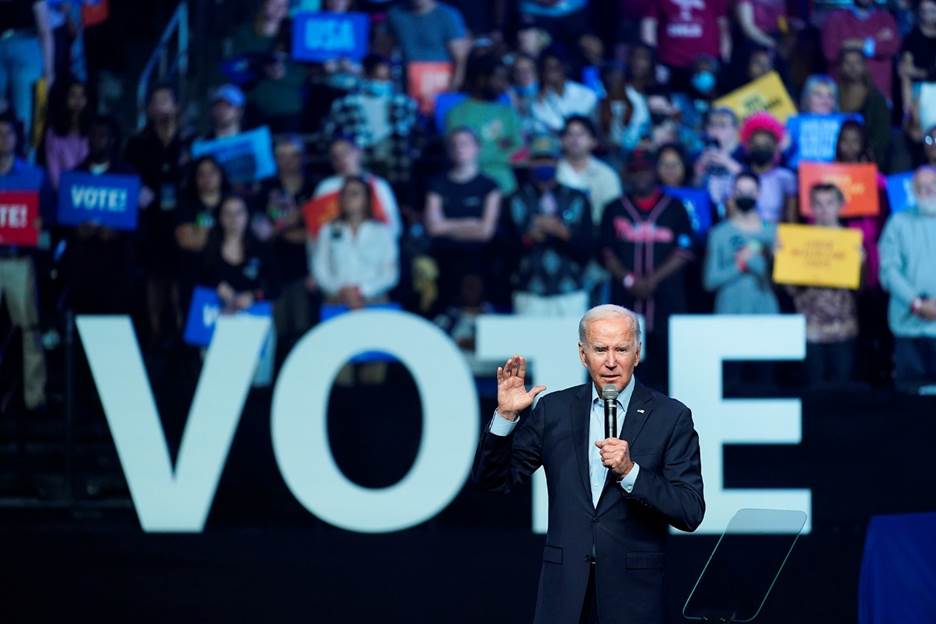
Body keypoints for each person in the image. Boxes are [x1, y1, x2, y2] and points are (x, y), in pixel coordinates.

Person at [471, 304, 704, 624]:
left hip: (633, 598)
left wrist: (631, 472)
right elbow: (494, 482)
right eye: (600, 349)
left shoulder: (671, 417)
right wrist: (506, 417)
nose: (611, 361)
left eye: (621, 349)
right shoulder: (554, 410)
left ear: (638, 353)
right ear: (583, 354)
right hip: (564, 595)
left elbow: (690, 510)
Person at [600, 150, 694, 389]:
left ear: (654, 173)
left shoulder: (675, 207)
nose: (641, 176)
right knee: (625, 367)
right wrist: (630, 280)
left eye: (645, 170)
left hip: (666, 299)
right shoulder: (614, 208)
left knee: (669, 369)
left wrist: (652, 279)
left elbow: (684, 250)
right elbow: (606, 252)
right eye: (635, 171)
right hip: (625, 299)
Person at [124, 84, 191, 346]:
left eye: (165, 101)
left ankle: (179, 330)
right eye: (155, 102)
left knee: (179, 278)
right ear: (149, 109)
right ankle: (153, 332)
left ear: (176, 107)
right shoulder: (137, 143)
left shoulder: (190, 142)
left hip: (181, 217)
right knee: (154, 277)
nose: (160, 107)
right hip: (150, 221)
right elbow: (128, 177)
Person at [506, 134, 593, 317]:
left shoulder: (577, 198)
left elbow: (589, 248)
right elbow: (502, 250)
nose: (543, 164)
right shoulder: (514, 200)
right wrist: (529, 238)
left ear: (557, 161)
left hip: (570, 293)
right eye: (538, 159)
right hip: (529, 293)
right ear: (529, 162)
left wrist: (562, 233)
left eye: (548, 159)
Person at [0, 111, 47, 414]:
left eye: (7, 133)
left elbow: (48, 220)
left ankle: (34, 397)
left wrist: (41, 226)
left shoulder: (34, 176)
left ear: (17, 139)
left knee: (30, 328)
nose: (2, 139)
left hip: (19, 261)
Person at [790, 183, 860, 386]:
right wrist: (782, 259)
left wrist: (861, 263)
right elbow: (790, 289)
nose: (824, 209)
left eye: (830, 203)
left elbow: (863, 288)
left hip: (844, 329)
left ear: (840, 205)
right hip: (809, 330)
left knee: (843, 392)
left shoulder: (851, 243)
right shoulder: (798, 241)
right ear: (810, 207)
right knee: (814, 394)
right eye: (818, 204)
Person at [425, 127, 501, 311]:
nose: (460, 148)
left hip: (480, 262)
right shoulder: (437, 184)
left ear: (477, 148)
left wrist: (448, 227)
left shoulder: (489, 185)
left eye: (465, 143)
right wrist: (469, 223)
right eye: (455, 144)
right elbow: (433, 228)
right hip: (444, 261)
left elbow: (485, 232)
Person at [252, 135, 316, 348]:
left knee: (304, 333)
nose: (288, 161)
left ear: (303, 157)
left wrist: (281, 227)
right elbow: (261, 233)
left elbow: (319, 233)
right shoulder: (264, 188)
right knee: (276, 336)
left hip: (307, 271)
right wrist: (293, 224)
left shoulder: (315, 187)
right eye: (281, 156)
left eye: (294, 155)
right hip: (273, 271)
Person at [321, 54, 419, 188]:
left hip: (398, 168)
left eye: (385, 77)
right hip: (360, 173)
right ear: (365, 75)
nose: (380, 82)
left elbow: (418, 134)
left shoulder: (404, 104)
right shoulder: (344, 106)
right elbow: (328, 137)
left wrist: (413, 152)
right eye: (376, 77)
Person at [878, 165, 936, 393]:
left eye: (932, 185)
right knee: (910, 401)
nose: (927, 191)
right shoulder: (897, 222)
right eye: (920, 187)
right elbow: (888, 270)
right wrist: (917, 303)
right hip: (908, 326)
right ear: (912, 191)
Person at [312, 176, 399, 311]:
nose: (348, 199)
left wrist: (361, 290)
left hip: (374, 301)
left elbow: (390, 274)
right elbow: (320, 270)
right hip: (337, 301)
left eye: (354, 194)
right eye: (344, 194)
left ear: (366, 198)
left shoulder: (382, 232)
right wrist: (342, 290)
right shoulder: (328, 230)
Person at [446, 53, 524, 194]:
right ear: (482, 80)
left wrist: (482, 150)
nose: (504, 86)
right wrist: (500, 148)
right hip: (468, 187)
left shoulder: (507, 113)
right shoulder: (457, 114)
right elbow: (458, 154)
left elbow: (520, 152)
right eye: (499, 79)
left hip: (505, 187)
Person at [704, 171, 778, 315]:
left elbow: (779, 282)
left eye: (750, 191)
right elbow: (710, 281)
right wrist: (740, 265)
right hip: (729, 311)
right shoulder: (718, 233)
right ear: (733, 193)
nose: (745, 195)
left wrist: (757, 260)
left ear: (759, 193)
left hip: (765, 311)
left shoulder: (774, 232)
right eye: (740, 191)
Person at [227, 0, 306, 132]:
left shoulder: (296, 35)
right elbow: (233, 67)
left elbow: (304, 73)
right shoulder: (245, 33)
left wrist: (283, 74)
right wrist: (259, 70)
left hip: (286, 109)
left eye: (283, 5)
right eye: (274, 4)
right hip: (254, 106)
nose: (278, 9)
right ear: (263, 4)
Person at [311, 136, 401, 238]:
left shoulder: (379, 185)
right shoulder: (325, 188)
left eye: (345, 152)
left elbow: (394, 226)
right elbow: (316, 231)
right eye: (335, 156)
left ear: (358, 152)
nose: (342, 159)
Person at [176, 155, 231, 308]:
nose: (207, 178)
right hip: (196, 277)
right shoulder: (187, 206)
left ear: (220, 174)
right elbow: (190, 243)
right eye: (201, 174)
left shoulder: (233, 202)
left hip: (229, 276)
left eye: (212, 172)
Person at [640, 0, 730, 90]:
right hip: (670, 63)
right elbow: (649, 25)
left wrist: (724, 60)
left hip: (706, 66)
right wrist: (653, 60)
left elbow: (723, 27)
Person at [822, 0, 900, 102]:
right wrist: (875, 41)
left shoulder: (886, 19)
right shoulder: (836, 18)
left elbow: (893, 47)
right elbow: (830, 52)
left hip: (879, 92)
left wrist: (854, 43)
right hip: (843, 94)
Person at [0, 0, 55, 142]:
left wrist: (49, 71)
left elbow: (45, 31)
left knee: (26, 113)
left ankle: (26, 160)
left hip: (27, 46)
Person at [387, 0, 470, 91]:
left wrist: (455, 84)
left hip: (440, 83)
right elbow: (384, 50)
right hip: (406, 83)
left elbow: (460, 57)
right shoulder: (395, 15)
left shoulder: (448, 15)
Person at [557, 115, 622, 229]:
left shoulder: (607, 175)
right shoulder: (554, 171)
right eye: (570, 134)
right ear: (562, 140)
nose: (574, 139)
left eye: (581, 134)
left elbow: (613, 213)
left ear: (593, 141)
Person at [836, 48, 891, 171]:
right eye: (848, 63)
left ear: (865, 66)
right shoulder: (834, 96)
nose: (852, 67)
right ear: (840, 67)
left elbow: (881, 138)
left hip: (867, 164)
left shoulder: (877, 100)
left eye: (857, 63)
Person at [739, 112, 797, 223]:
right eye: (757, 145)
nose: (761, 149)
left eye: (766, 145)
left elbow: (791, 219)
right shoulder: (739, 177)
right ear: (748, 147)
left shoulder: (786, 178)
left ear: (776, 148)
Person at [530, 48, 598, 133]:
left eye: (555, 68)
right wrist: (540, 103)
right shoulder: (537, 100)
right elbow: (539, 127)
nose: (551, 73)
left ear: (565, 68)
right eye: (547, 68)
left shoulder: (586, 94)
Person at [41, 77, 90, 188]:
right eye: (73, 96)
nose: (78, 101)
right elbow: (53, 170)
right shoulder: (53, 133)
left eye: (82, 96)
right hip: (63, 191)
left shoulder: (92, 130)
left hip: (89, 189)